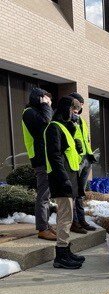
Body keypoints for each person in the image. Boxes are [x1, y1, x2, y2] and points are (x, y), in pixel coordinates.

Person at [44, 96, 86, 269]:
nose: (75, 115)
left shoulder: (65, 128)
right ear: (65, 109)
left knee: (67, 217)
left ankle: (65, 249)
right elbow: (54, 157)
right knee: (65, 217)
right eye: (73, 111)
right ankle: (60, 255)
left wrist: (78, 147)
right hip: (62, 180)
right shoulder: (53, 127)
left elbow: (69, 156)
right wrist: (64, 179)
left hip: (70, 179)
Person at [22, 87, 56, 241]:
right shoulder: (29, 112)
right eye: (46, 99)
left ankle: (46, 225)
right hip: (40, 158)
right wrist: (46, 106)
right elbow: (45, 122)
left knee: (46, 195)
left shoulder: (38, 111)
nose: (49, 102)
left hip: (46, 157)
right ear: (39, 98)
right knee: (43, 195)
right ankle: (42, 228)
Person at [69, 92, 97, 234]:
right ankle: (74, 222)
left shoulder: (82, 121)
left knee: (80, 192)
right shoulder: (66, 120)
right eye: (78, 105)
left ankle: (81, 220)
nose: (80, 108)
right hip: (75, 160)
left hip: (86, 159)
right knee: (74, 193)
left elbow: (86, 139)